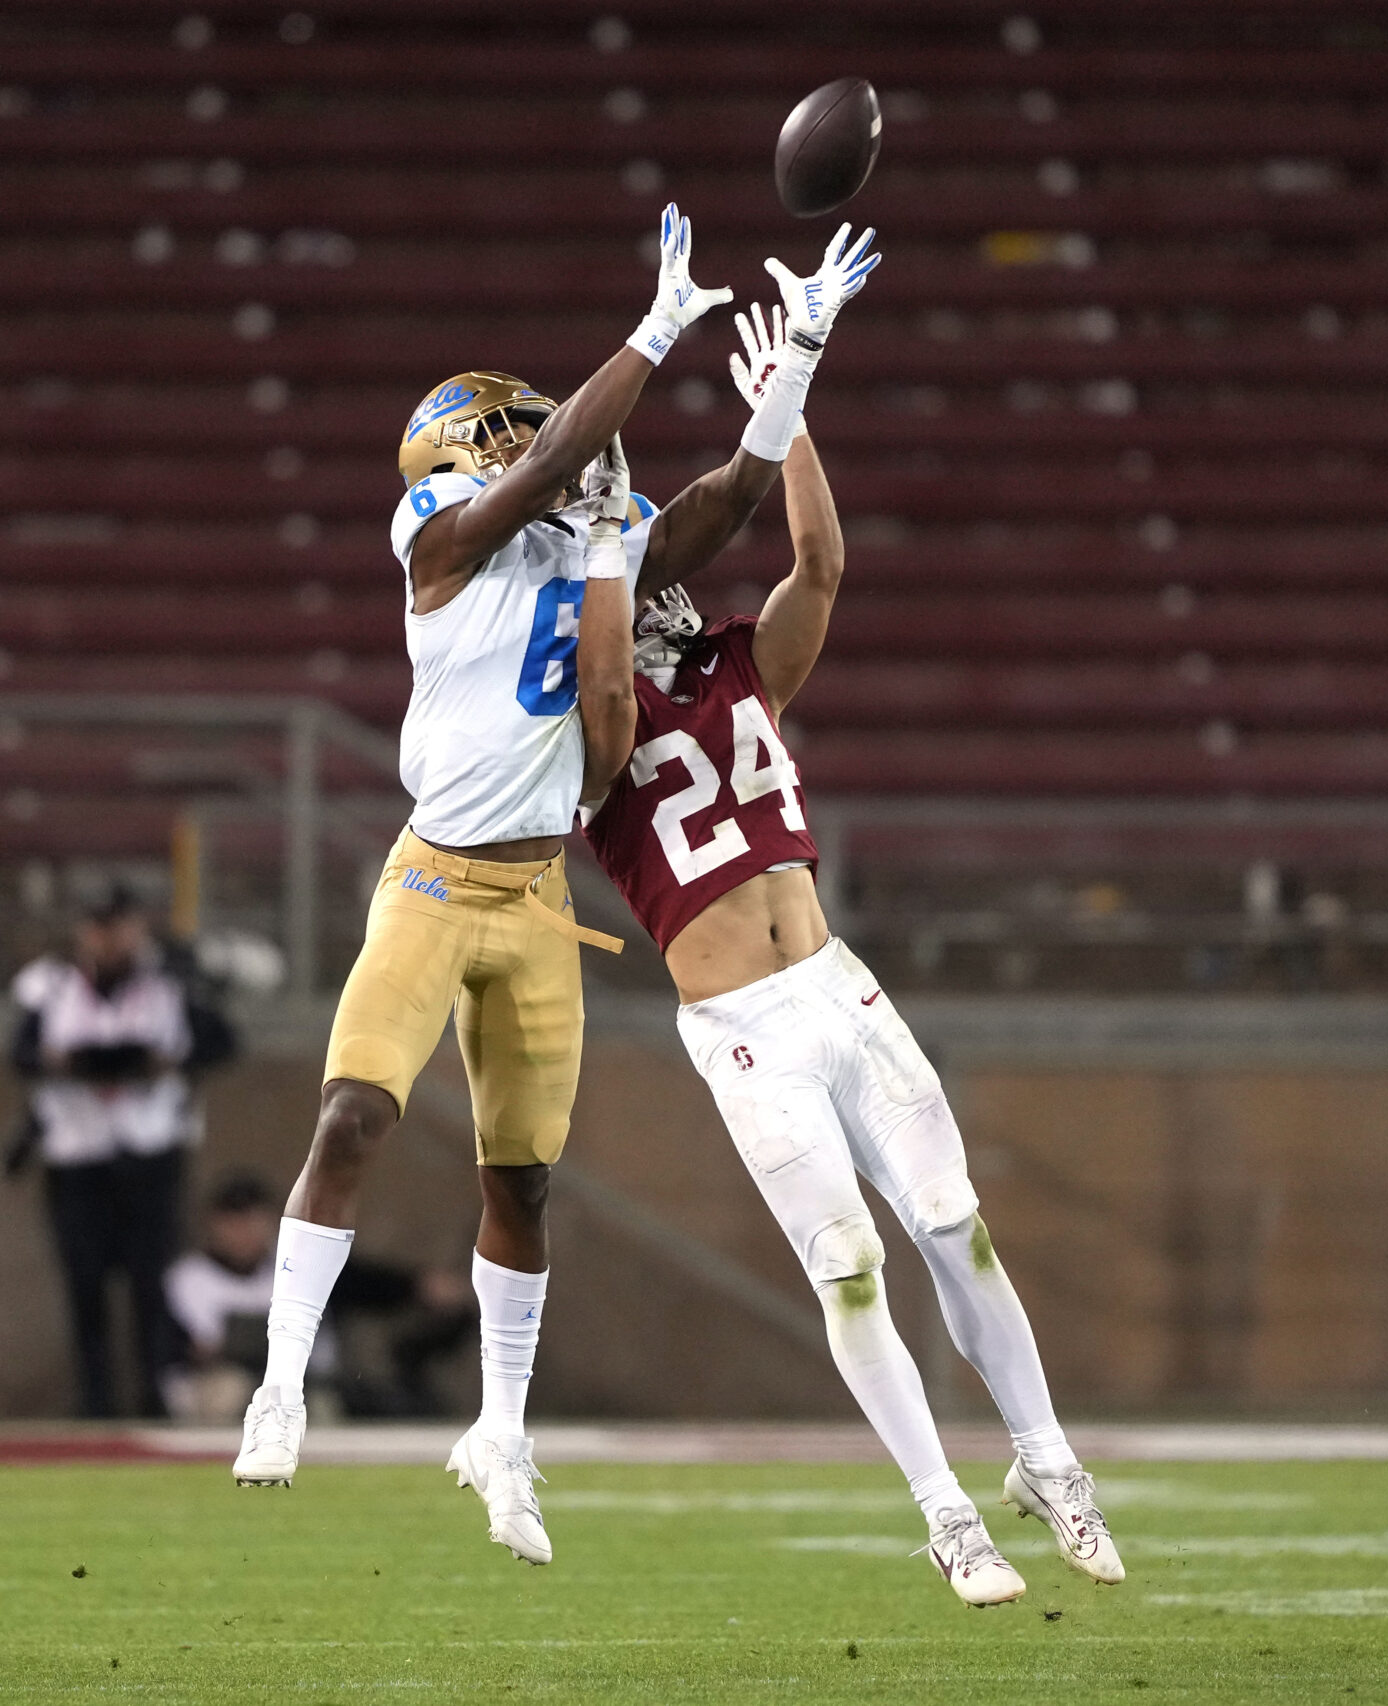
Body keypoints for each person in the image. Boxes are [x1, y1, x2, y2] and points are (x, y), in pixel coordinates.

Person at [232, 205, 876, 1573]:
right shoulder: (442, 538)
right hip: (430, 877)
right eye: (509, 433)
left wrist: (782, 401)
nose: (533, 446)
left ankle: (501, 1433)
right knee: (352, 1112)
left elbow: (724, 510)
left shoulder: (593, 540)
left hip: (534, 899)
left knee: (522, 1185)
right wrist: (652, 331)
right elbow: (554, 473)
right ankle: (280, 1380)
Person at [580, 304, 1123, 1608]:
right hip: (745, 1025)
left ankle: (1048, 1461)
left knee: (958, 1228)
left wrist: (795, 399)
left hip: (838, 979)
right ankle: (947, 1514)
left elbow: (817, 568)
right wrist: (598, 551)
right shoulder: (585, 727)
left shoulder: (733, 666)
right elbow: (603, 702)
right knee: (849, 1260)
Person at [11, 885, 237, 1418]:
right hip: (78, 1155)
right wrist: (63, 1063)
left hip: (149, 1152)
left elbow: (222, 1043)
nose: (110, 938)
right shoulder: (52, 987)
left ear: (138, 928)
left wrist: (164, 1061)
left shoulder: (169, 986)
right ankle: (95, 1402)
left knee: (151, 1282)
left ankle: (155, 1396)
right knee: (84, 1283)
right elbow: (20, 1054)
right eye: (99, 924)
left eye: (120, 924)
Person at [162, 1172, 476, 1423]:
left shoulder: (295, 1266)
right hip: (224, 1388)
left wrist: (420, 1285)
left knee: (328, 1404)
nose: (244, 1233)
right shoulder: (187, 1279)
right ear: (213, 1225)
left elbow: (363, 1283)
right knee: (229, 1392)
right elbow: (165, 1350)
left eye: (253, 1221)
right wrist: (198, 1353)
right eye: (234, 1222)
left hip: (306, 1386)